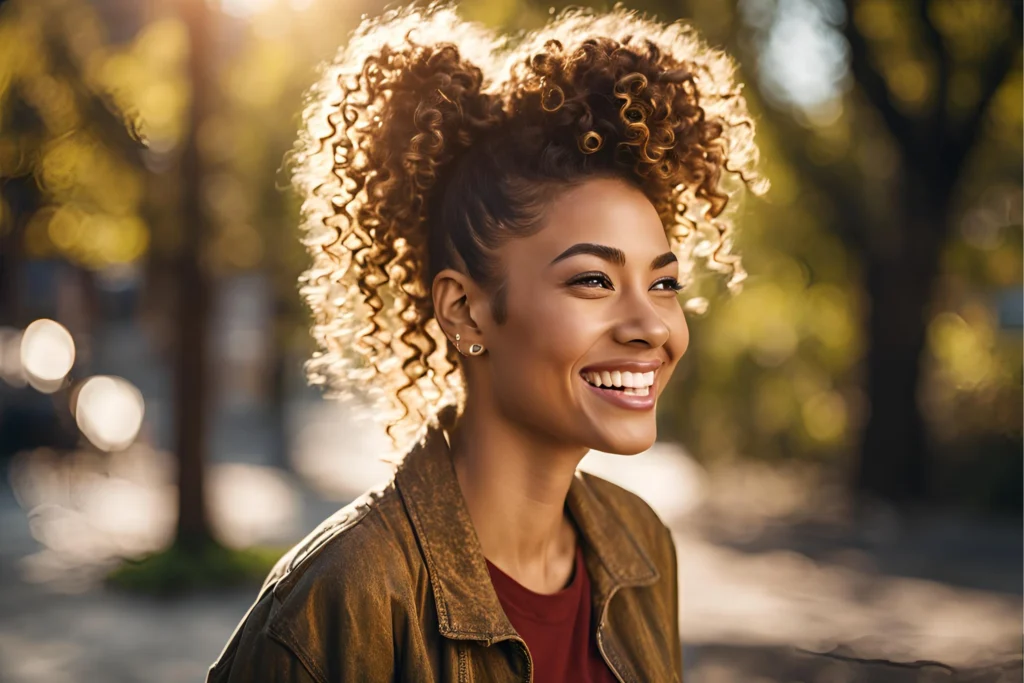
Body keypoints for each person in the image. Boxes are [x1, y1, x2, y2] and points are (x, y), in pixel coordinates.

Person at [207, 4, 766, 682]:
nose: (651, 325)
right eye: (593, 279)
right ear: (465, 312)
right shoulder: (339, 602)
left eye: (665, 283)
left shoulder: (641, 545)